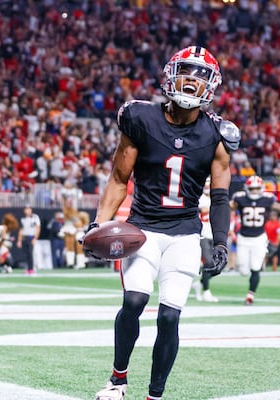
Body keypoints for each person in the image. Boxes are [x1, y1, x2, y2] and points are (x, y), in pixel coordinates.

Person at [86, 46, 240, 400]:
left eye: (200, 75)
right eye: (186, 71)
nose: (191, 80)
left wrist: (220, 241)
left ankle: (155, 395)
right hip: (142, 229)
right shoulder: (140, 118)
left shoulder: (217, 135)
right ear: (170, 74)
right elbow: (118, 177)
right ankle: (117, 380)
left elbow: (219, 196)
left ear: (212, 85)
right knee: (135, 301)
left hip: (185, 233)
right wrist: (99, 223)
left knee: (170, 317)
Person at [230, 175, 280, 305]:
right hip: (243, 238)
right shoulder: (240, 198)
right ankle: (249, 290)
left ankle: (250, 295)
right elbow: (226, 207)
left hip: (259, 239)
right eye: (252, 188)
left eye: (256, 188)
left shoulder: (267, 199)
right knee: (243, 271)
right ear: (247, 188)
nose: (254, 191)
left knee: (256, 268)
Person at [192, 177, 219, 302]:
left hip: (214, 234)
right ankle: (206, 291)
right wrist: (199, 210)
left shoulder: (217, 198)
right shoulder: (198, 199)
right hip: (202, 234)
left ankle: (200, 283)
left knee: (218, 265)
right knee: (208, 263)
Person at [16, 205, 41, 275]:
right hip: (25, 237)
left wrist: (35, 238)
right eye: (26, 209)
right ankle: (28, 268)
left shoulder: (35, 217)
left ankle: (32, 268)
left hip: (31, 237)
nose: (27, 210)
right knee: (26, 254)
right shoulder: (22, 219)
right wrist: (19, 240)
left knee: (31, 253)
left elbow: (38, 228)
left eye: (29, 209)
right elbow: (21, 230)